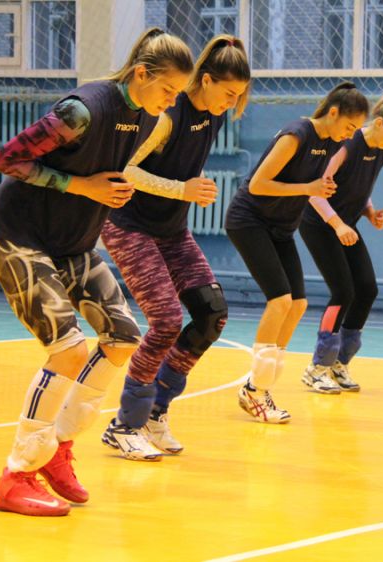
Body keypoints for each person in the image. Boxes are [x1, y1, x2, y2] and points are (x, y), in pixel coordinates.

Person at [0, 28, 194, 516]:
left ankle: (57, 449)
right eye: (168, 89)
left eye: (177, 93)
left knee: (122, 338)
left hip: (72, 243)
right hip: (18, 235)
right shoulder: (82, 110)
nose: (172, 100)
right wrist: (82, 186)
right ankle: (16, 475)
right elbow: (7, 159)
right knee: (70, 349)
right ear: (141, 73)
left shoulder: (148, 117)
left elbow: (109, 171)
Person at [99, 35, 251, 459]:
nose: (232, 103)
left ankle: (155, 412)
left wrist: (188, 188)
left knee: (212, 314)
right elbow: (126, 170)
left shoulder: (213, 117)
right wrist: (181, 189)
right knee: (166, 321)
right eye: (228, 93)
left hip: (170, 229)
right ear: (206, 81)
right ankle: (124, 424)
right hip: (129, 226)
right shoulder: (168, 115)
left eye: (239, 96)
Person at [224, 82, 368, 423]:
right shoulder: (297, 134)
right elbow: (258, 184)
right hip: (250, 220)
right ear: (333, 112)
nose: (351, 135)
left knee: (298, 304)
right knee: (280, 301)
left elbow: (313, 187)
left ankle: (258, 387)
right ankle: (256, 391)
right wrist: (309, 188)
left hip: (281, 227)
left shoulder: (332, 143)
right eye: (349, 126)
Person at [299, 91, 383, 393]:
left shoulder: (382, 149)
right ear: (379, 123)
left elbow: (361, 185)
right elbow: (314, 191)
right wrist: (337, 224)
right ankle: (317, 368)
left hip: (346, 224)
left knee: (367, 289)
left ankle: (339, 363)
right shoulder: (347, 145)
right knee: (343, 292)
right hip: (320, 222)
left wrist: (369, 212)